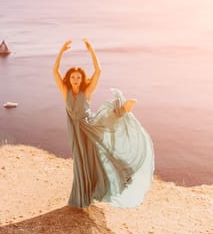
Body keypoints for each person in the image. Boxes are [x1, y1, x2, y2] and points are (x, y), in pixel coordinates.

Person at [53, 39, 155, 209]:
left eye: (78, 77)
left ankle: (121, 110)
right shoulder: (65, 92)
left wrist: (91, 50)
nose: (76, 79)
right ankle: (82, 198)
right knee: (81, 163)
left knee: (98, 151)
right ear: (69, 79)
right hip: (75, 131)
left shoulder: (87, 91)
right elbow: (55, 71)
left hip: (89, 127)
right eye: (73, 77)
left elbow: (98, 70)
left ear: (82, 79)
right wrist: (61, 51)